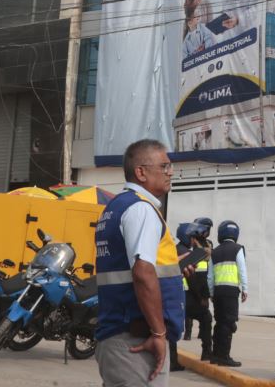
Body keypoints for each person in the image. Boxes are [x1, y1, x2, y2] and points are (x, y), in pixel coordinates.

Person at [93, 139, 184, 387]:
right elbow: (143, 273)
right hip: (134, 340)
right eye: (164, 166)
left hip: (120, 336)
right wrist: (158, 333)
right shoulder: (140, 209)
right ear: (141, 172)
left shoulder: (116, 207)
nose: (170, 172)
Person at [174, 219, 213, 372]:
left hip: (177, 296)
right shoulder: (186, 253)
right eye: (192, 236)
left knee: (172, 328)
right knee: (206, 317)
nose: (193, 239)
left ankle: (172, 359)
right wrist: (202, 297)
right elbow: (192, 279)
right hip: (186, 296)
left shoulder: (176, 249)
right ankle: (206, 352)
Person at [208, 220, 248, 368]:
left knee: (219, 322)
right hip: (231, 292)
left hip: (218, 292)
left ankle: (215, 355)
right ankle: (224, 356)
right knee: (229, 323)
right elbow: (242, 270)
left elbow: (210, 276)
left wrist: (211, 293)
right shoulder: (238, 249)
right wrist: (245, 289)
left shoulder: (215, 252)